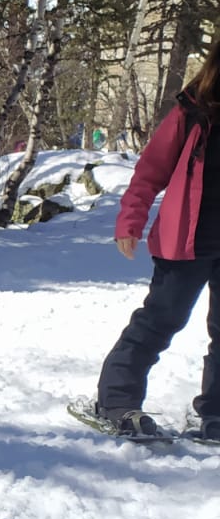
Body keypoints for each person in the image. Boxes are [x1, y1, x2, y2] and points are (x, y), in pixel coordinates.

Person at [91, 40, 219, 440]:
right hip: (188, 239)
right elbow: (150, 171)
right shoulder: (193, 110)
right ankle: (116, 400)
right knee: (161, 320)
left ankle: (215, 414)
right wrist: (131, 220)